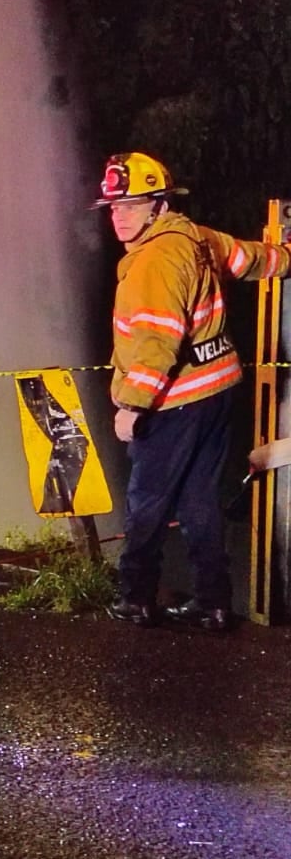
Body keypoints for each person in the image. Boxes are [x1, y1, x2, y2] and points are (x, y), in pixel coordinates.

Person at [93, 153, 291, 630]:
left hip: (174, 399)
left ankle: (136, 597)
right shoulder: (195, 236)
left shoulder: (152, 263)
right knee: (199, 500)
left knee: (147, 501)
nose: (118, 216)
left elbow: (158, 341)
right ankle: (214, 602)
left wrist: (131, 406)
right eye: (113, 207)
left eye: (130, 206)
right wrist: (286, 256)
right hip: (218, 392)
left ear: (158, 205)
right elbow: (250, 259)